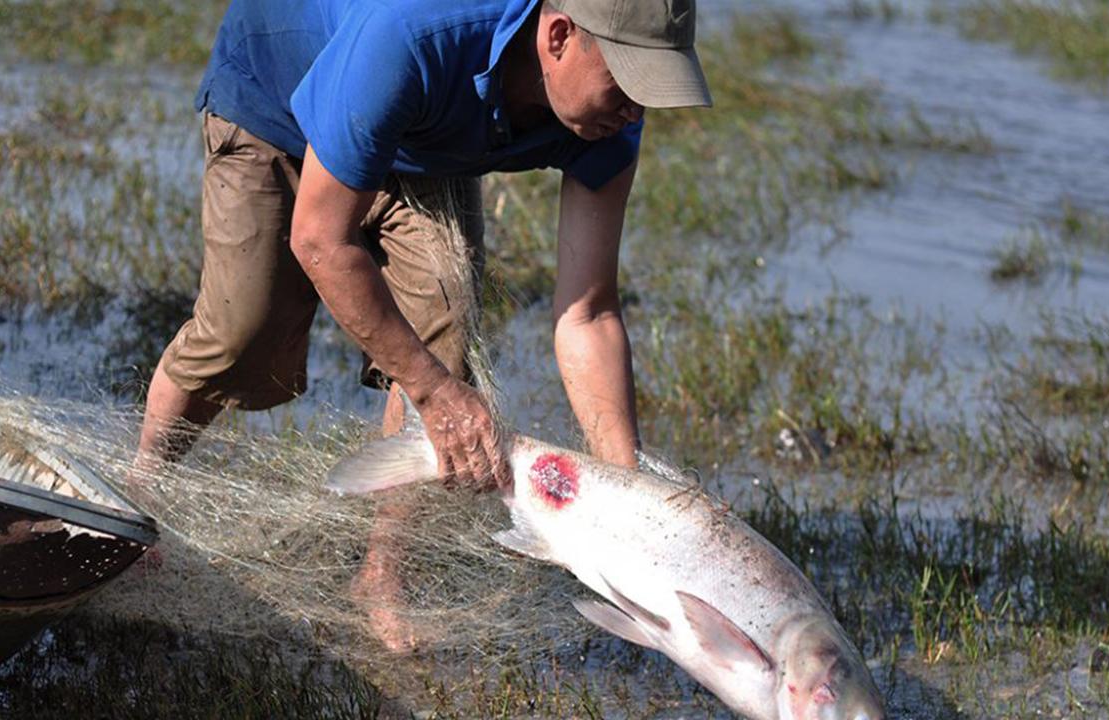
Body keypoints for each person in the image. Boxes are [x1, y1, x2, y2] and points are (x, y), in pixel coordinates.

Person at [135, 0, 711, 649]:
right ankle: (142, 488)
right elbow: (321, 240)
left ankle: (383, 576)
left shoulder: (609, 124)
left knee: (444, 320)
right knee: (243, 330)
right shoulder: (416, 35)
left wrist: (625, 488)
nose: (637, 110)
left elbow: (588, 310)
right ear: (558, 36)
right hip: (273, 98)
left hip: (417, 138)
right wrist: (437, 395)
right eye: (629, 81)